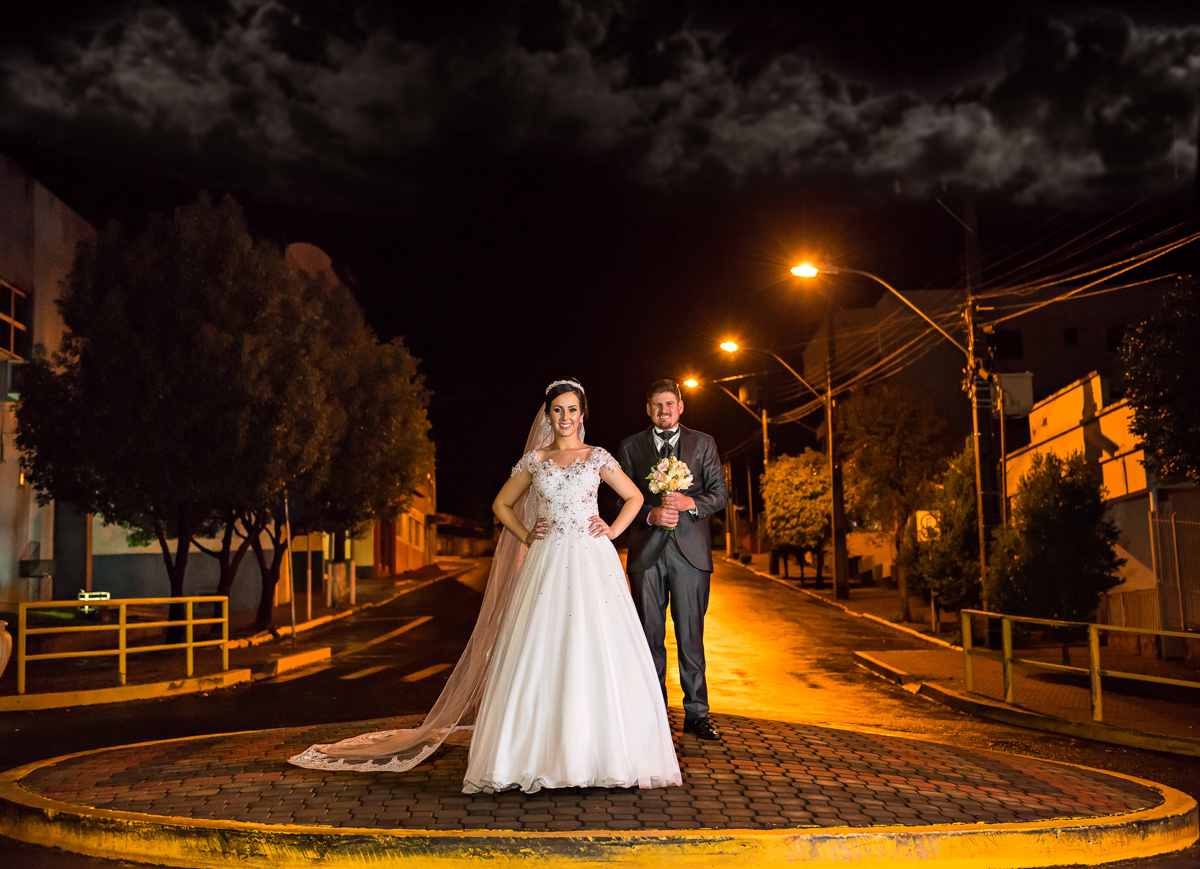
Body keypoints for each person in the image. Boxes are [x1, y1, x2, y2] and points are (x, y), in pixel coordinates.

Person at [290, 378, 681, 794]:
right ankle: (533, 756)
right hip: (547, 559)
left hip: (591, 559)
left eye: (572, 409)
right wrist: (527, 535)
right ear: (547, 415)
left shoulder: (596, 456)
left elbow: (634, 497)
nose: (565, 417)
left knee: (596, 646)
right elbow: (501, 504)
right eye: (557, 410)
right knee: (540, 649)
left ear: (582, 413)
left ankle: (603, 755)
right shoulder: (535, 459)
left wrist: (612, 530)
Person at [617, 379, 729, 741]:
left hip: (691, 556)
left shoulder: (703, 443)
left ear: (680, 406)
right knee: (648, 637)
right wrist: (649, 514)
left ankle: (697, 715)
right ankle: (653, 714)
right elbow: (616, 500)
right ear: (648, 410)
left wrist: (691, 503)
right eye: (657, 405)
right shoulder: (630, 447)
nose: (663, 410)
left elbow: (720, 493)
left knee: (690, 637)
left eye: (669, 404)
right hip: (646, 554)